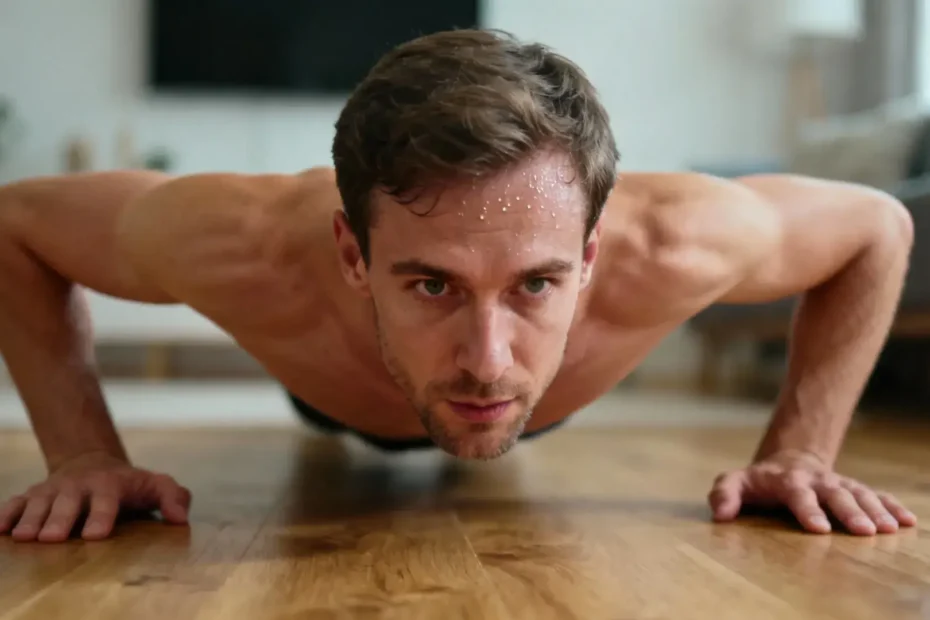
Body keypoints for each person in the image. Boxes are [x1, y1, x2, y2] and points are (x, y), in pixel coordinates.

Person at [0, 29, 918, 544]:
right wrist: (83, 454)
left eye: (537, 284)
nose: (488, 360)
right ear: (354, 255)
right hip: (337, 394)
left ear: (592, 256)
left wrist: (800, 449)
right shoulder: (241, 245)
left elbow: (879, 227)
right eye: (432, 284)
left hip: (544, 402)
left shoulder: (679, 240)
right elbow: (17, 226)